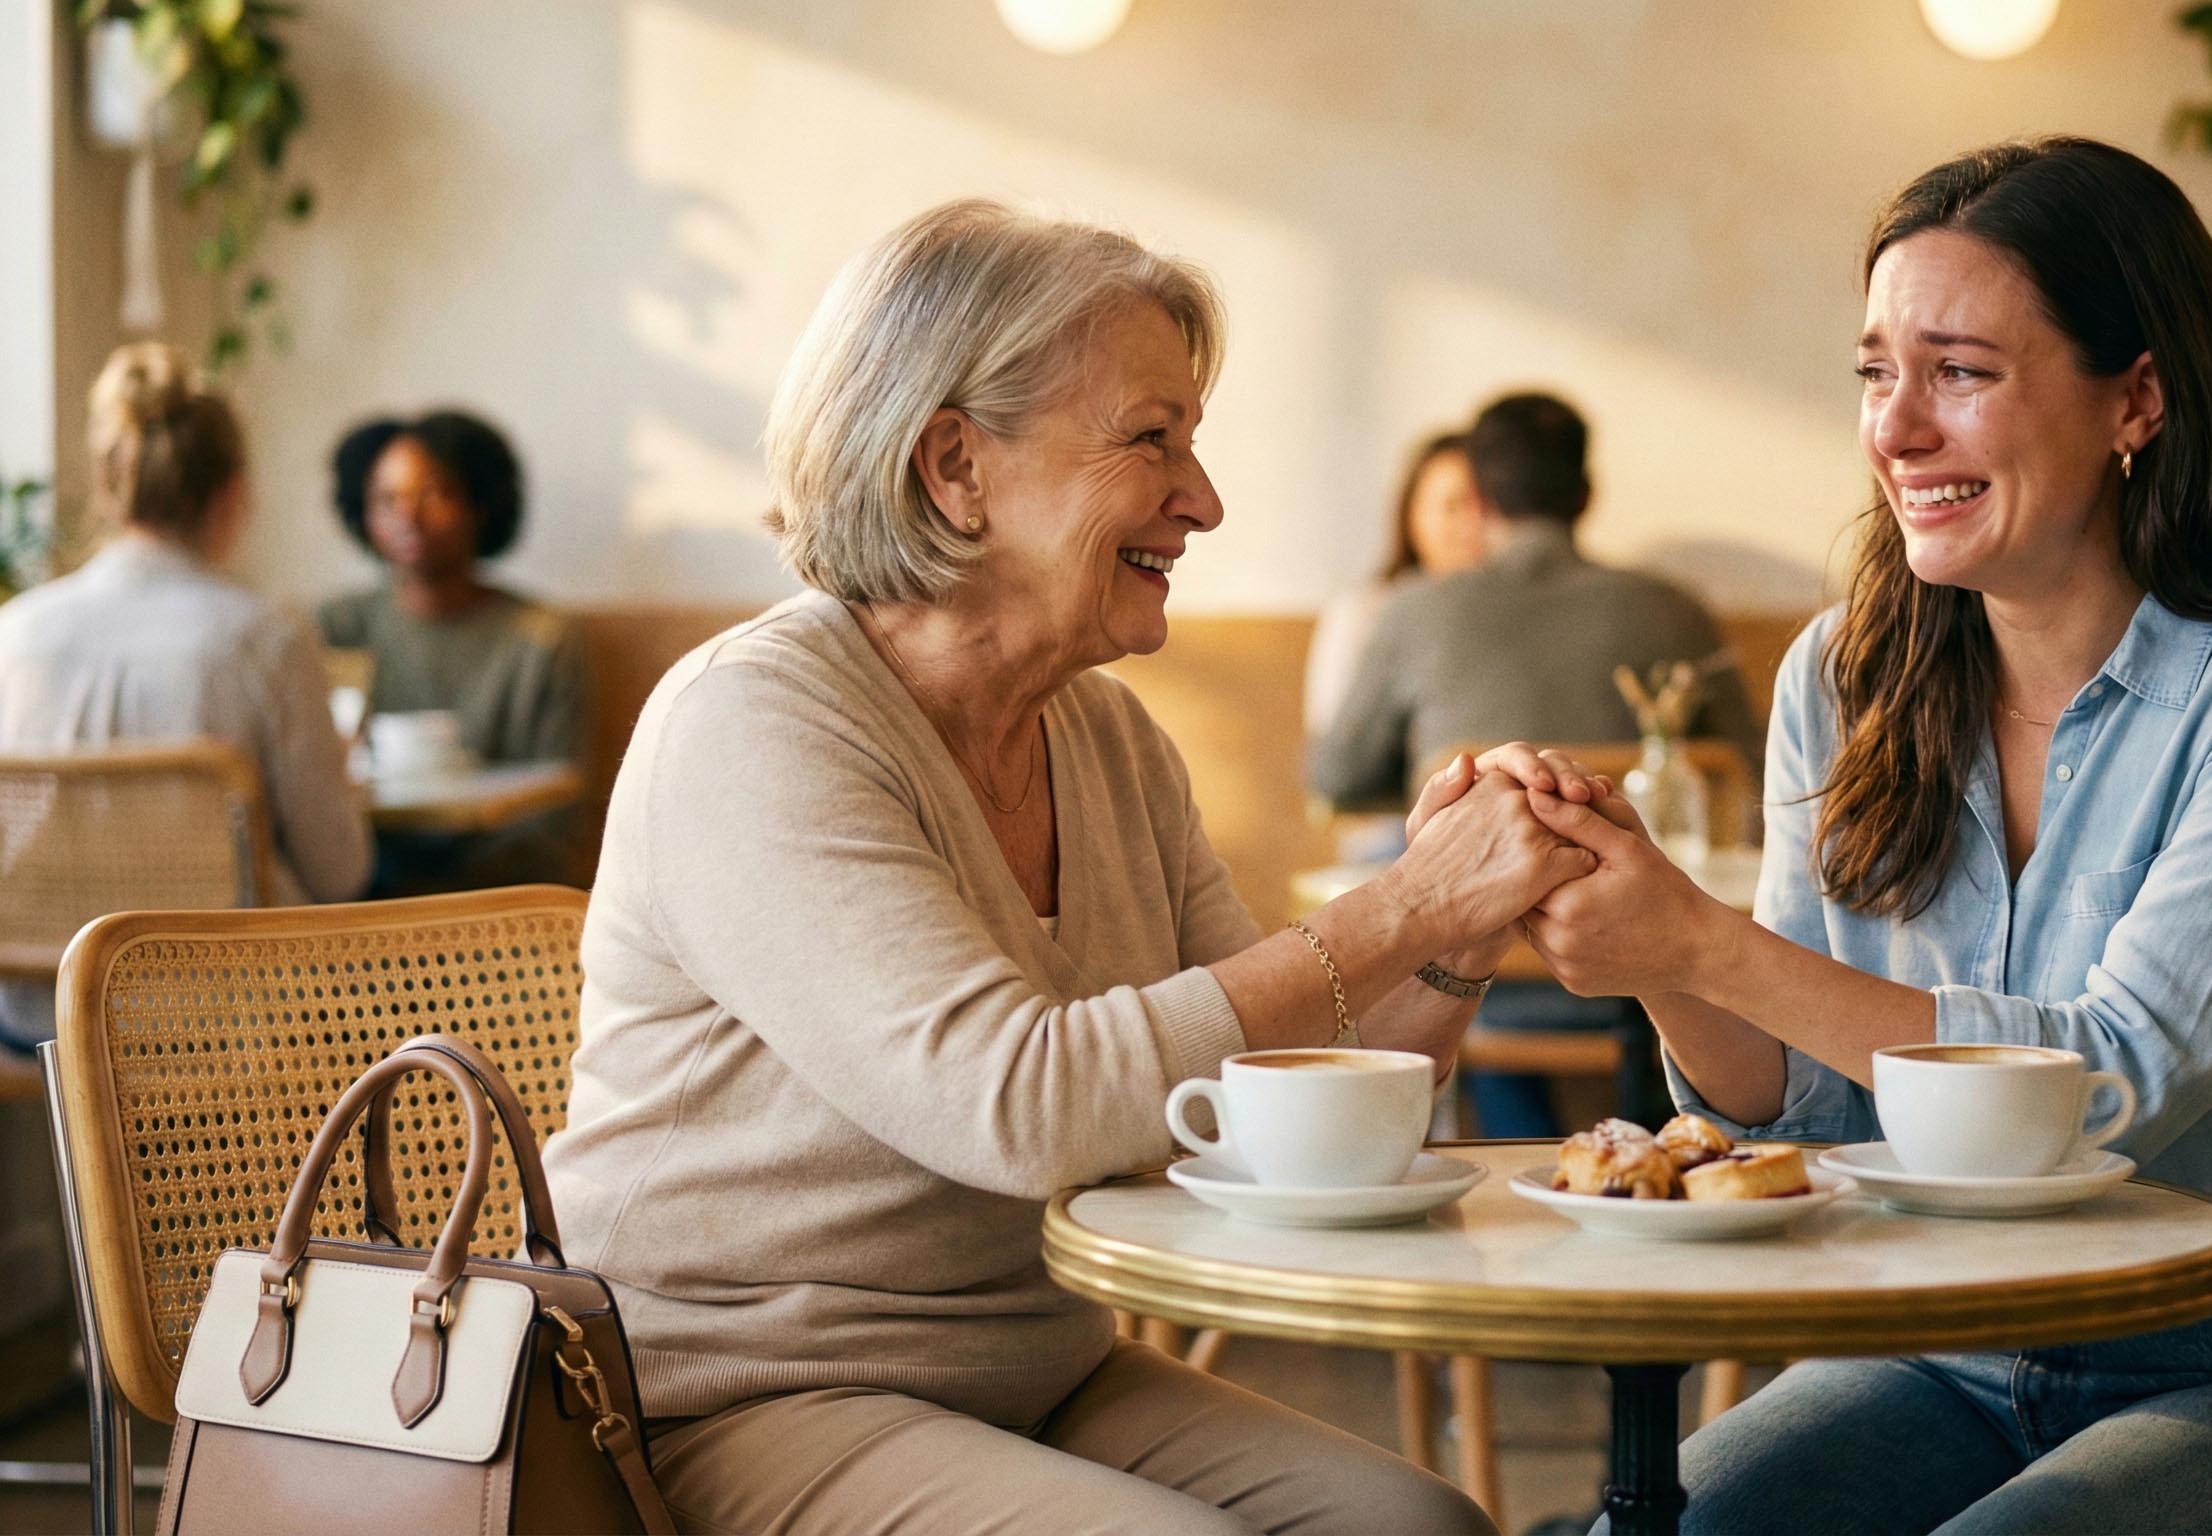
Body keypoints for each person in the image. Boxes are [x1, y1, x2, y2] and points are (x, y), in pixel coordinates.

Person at [540, 199, 1607, 1536]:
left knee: (1416, 1529)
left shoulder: (1105, 735)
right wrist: (1402, 898)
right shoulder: (752, 724)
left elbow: (1280, 1086)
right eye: (1151, 440)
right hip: (734, 1397)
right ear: (954, 468)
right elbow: (1020, 1105)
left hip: (1033, 1370)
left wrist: (1461, 927)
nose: (1201, 500)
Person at [1498, 139, 2212, 1533]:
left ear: (2135, 397)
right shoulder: (1845, 675)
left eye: (1960, 372)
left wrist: (1711, 941)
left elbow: (2111, 1083)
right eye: (1875, 373)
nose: (1895, 430)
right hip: (1940, 1339)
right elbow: (1815, 1113)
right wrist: (1658, 945)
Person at [1310, 391, 1764, 1136]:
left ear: (1480, 500)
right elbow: (1748, 768)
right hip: (1641, 975)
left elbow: (1335, 778)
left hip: (1473, 976)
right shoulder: (1673, 610)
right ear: (1587, 494)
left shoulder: (1414, 612)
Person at [0, 343, 370, 1046]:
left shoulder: (12, 634)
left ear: (111, 491)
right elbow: (340, 870)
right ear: (232, 494)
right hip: (225, 1019)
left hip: (40, 1017)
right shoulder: (262, 638)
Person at [321, 410, 584, 890]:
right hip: (361, 876)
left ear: (481, 504)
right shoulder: (339, 627)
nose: (408, 518)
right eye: (387, 499)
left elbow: (552, 808)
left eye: (435, 494)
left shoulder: (537, 638)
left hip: (493, 890)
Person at [1302, 429, 1483, 743]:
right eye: (1453, 506)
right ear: (1411, 514)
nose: (1472, 525)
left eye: (1487, 508)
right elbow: (1336, 753)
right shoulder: (1365, 613)